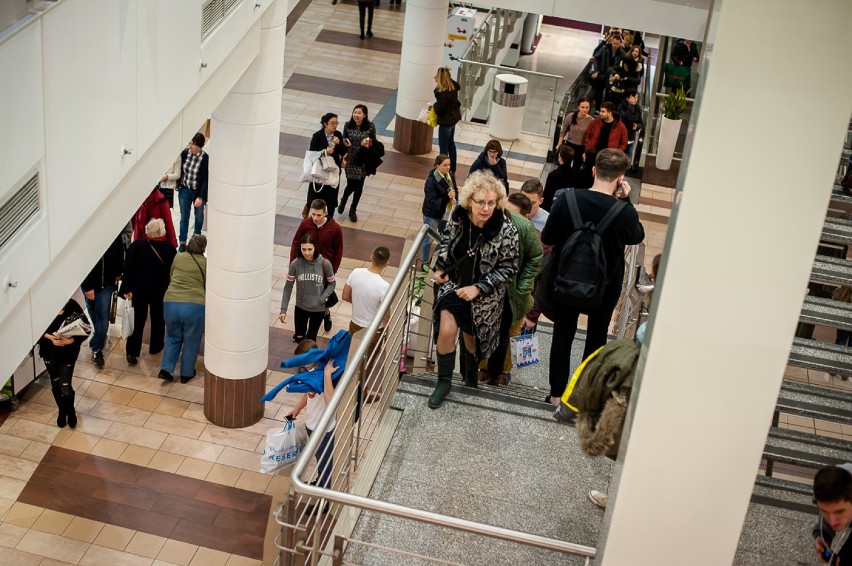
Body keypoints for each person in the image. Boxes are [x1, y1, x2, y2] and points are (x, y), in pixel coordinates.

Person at [541, 149, 645, 405]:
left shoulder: (567, 200)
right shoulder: (625, 212)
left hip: (565, 280)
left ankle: (556, 395)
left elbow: (548, 238)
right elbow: (637, 236)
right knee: (597, 338)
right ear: (620, 178)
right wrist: (627, 200)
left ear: (594, 170)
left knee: (563, 335)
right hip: (605, 287)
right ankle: (583, 397)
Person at [428, 172, 519, 409]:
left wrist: (479, 288)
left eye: (491, 203)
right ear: (470, 200)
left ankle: (470, 379)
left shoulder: (506, 229)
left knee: (471, 341)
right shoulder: (458, 217)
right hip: (454, 286)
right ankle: (444, 382)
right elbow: (447, 242)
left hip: (484, 298)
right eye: (481, 202)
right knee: (447, 331)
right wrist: (440, 268)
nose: (486, 208)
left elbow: (509, 268)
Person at [479, 192, 542, 385]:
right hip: (508, 292)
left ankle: (490, 371)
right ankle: (498, 373)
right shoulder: (529, 228)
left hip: (509, 293)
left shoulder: (521, 227)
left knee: (495, 331)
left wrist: (522, 289)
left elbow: (535, 259)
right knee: (507, 334)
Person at [286, 342, 338, 514]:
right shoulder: (310, 372)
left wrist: (327, 376)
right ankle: (320, 482)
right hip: (312, 425)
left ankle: (325, 502)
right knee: (319, 459)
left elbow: (331, 402)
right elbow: (308, 394)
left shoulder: (325, 373)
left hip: (323, 429)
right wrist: (297, 409)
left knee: (325, 464)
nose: (300, 364)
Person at [119, 219, 177, 365]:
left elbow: (128, 269)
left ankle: (132, 352)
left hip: (139, 290)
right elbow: (172, 272)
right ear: (162, 231)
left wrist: (126, 288)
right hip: (160, 291)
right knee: (158, 319)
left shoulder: (136, 246)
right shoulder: (169, 249)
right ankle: (156, 346)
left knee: (137, 320)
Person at [343, 247, 391, 399]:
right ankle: (360, 393)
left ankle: (345, 388)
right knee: (367, 363)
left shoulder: (356, 272)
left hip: (354, 324)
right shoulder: (384, 286)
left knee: (352, 357)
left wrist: (358, 303)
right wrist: (386, 332)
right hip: (373, 331)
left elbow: (345, 295)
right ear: (387, 264)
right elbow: (386, 316)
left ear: (371, 257)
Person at [159, 234, 207, 383]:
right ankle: (186, 373)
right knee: (191, 339)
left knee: (172, 336)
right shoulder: (205, 263)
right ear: (203, 248)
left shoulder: (179, 257)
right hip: (194, 305)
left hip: (171, 302)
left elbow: (172, 275)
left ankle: (166, 369)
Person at [291, 199, 343, 332]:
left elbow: (338, 251)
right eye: (313, 214)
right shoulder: (305, 224)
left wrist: (333, 270)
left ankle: (326, 314)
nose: (314, 218)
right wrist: (293, 265)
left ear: (325, 213)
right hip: (305, 267)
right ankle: (301, 329)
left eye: (318, 215)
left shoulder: (335, 228)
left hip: (324, 270)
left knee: (322, 295)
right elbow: (296, 243)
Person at [38, 299, 88, 428]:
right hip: (49, 350)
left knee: (65, 385)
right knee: (55, 382)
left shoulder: (72, 305)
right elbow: (34, 330)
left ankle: (70, 411)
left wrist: (70, 341)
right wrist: (50, 338)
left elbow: (86, 330)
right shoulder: (42, 305)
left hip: (68, 353)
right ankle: (62, 410)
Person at [279, 234, 336, 343]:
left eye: (310, 249)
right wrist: (283, 309)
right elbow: (288, 288)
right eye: (303, 249)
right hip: (301, 307)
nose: (307, 253)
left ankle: (308, 359)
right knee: (299, 338)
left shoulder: (325, 263)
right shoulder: (295, 264)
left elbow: (332, 283)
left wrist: (322, 299)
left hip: (318, 309)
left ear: (315, 248)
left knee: (311, 340)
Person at [81, 234, 125, 369]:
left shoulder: (115, 234)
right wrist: (87, 287)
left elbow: (119, 255)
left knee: (102, 314)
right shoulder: (86, 237)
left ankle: (96, 347)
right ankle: (100, 333)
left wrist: (118, 274)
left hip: (107, 285)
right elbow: (81, 263)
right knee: (92, 310)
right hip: (90, 284)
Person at [338, 104, 377, 222]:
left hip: (363, 159)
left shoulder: (370, 126)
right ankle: (344, 199)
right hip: (351, 158)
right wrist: (345, 143)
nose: (356, 115)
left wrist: (367, 143)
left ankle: (353, 209)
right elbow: (343, 140)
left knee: (359, 186)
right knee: (351, 184)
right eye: (355, 112)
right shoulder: (347, 125)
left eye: (359, 113)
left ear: (364, 115)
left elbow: (374, 142)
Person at [307, 113, 347, 220]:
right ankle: (314, 216)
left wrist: (339, 144)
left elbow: (344, 152)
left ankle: (329, 220)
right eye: (332, 123)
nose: (335, 126)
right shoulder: (317, 136)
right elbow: (312, 154)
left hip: (332, 172)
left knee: (331, 199)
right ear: (325, 124)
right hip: (320, 171)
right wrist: (325, 151)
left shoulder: (337, 134)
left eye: (336, 123)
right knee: (316, 196)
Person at [812, 463, 852, 564]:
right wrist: (823, 535)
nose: (832, 522)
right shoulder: (838, 478)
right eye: (825, 511)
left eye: (840, 512)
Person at [420, 154, 457, 262]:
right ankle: (425, 262)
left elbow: (455, 190)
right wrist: (447, 197)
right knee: (428, 240)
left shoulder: (450, 176)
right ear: (437, 166)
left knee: (445, 239)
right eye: (445, 165)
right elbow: (431, 201)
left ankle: (434, 259)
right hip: (432, 214)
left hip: (446, 214)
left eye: (449, 165)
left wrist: (454, 198)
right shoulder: (431, 181)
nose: (448, 167)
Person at [177, 133, 209, 252]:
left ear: (199, 146)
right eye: (189, 143)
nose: (190, 146)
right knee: (184, 217)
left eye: (193, 144)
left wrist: (200, 197)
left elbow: (205, 179)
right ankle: (182, 243)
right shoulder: (185, 153)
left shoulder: (205, 158)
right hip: (185, 189)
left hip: (198, 192)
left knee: (199, 217)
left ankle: (196, 241)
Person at [583, 102, 628, 176]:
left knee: (603, 177)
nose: (600, 113)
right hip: (593, 154)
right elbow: (587, 134)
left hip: (607, 157)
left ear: (609, 113)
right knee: (588, 174)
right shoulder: (596, 122)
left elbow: (624, 143)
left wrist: (615, 153)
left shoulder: (620, 126)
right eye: (600, 111)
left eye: (603, 111)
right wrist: (588, 147)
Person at [433, 67, 462, 173]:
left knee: (443, 148)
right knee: (451, 143)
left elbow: (439, 110)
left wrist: (434, 106)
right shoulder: (452, 87)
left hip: (446, 122)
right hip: (453, 119)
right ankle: (452, 168)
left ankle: (444, 169)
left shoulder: (444, 93)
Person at [589, 33, 624, 112]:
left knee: (609, 94)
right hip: (602, 73)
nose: (615, 45)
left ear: (620, 44)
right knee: (599, 92)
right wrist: (596, 70)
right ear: (611, 42)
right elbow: (596, 58)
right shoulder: (605, 48)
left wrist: (617, 74)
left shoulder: (622, 53)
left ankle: (606, 110)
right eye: (614, 43)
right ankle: (598, 109)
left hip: (612, 76)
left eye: (617, 44)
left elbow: (623, 66)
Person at [557, 98, 594, 171]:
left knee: (577, 167)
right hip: (570, 145)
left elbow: (591, 136)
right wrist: (559, 144)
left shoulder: (591, 120)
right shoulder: (571, 116)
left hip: (581, 147)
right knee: (565, 165)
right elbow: (563, 131)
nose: (585, 109)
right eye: (583, 107)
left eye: (587, 107)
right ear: (578, 107)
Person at [544, 145, 581, 211]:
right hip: (569, 207)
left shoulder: (553, 175)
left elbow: (547, 196)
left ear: (560, 158)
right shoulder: (577, 174)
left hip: (554, 207)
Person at [617, 90, 643, 163]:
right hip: (620, 139)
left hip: (630, 138)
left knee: (628, 160)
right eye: (633, 97)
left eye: (637, 97)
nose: (636, 99)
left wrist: (637, 126)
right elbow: (627, 119)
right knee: (618, 159)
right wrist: (630, 106)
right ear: (627, 98)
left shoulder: (638, 108)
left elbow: (641, 123)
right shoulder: (620, 107)